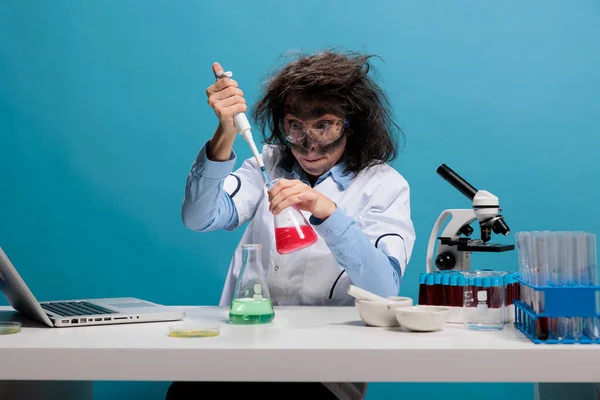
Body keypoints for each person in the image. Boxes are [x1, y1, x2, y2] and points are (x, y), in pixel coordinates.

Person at [168, 50, 416, 400]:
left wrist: (328, 213)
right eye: (294, 126)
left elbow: (384, 289)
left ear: (352, 125)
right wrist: (225, 131)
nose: (308, 144)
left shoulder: (383, 185)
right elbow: (198, 218)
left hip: (322, 375)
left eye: (324, 125)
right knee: (187, 392)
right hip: (243, 355)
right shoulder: (267, 164)